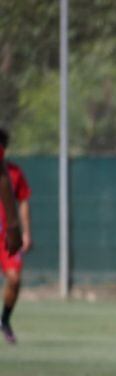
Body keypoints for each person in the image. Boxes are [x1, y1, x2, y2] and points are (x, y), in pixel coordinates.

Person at [0, 128, 32, 345]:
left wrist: (19, 229)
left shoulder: (13, 172)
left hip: (4, 235)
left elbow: (21, 201)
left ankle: (5, 321)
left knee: (14, 278)